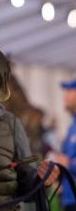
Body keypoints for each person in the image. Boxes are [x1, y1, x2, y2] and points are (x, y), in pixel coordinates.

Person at [56, 78, 76, 211]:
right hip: (69, 199)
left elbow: (68, 161)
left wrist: (68, 163)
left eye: (70, 91)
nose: (65, 96)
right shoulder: (71, 127)